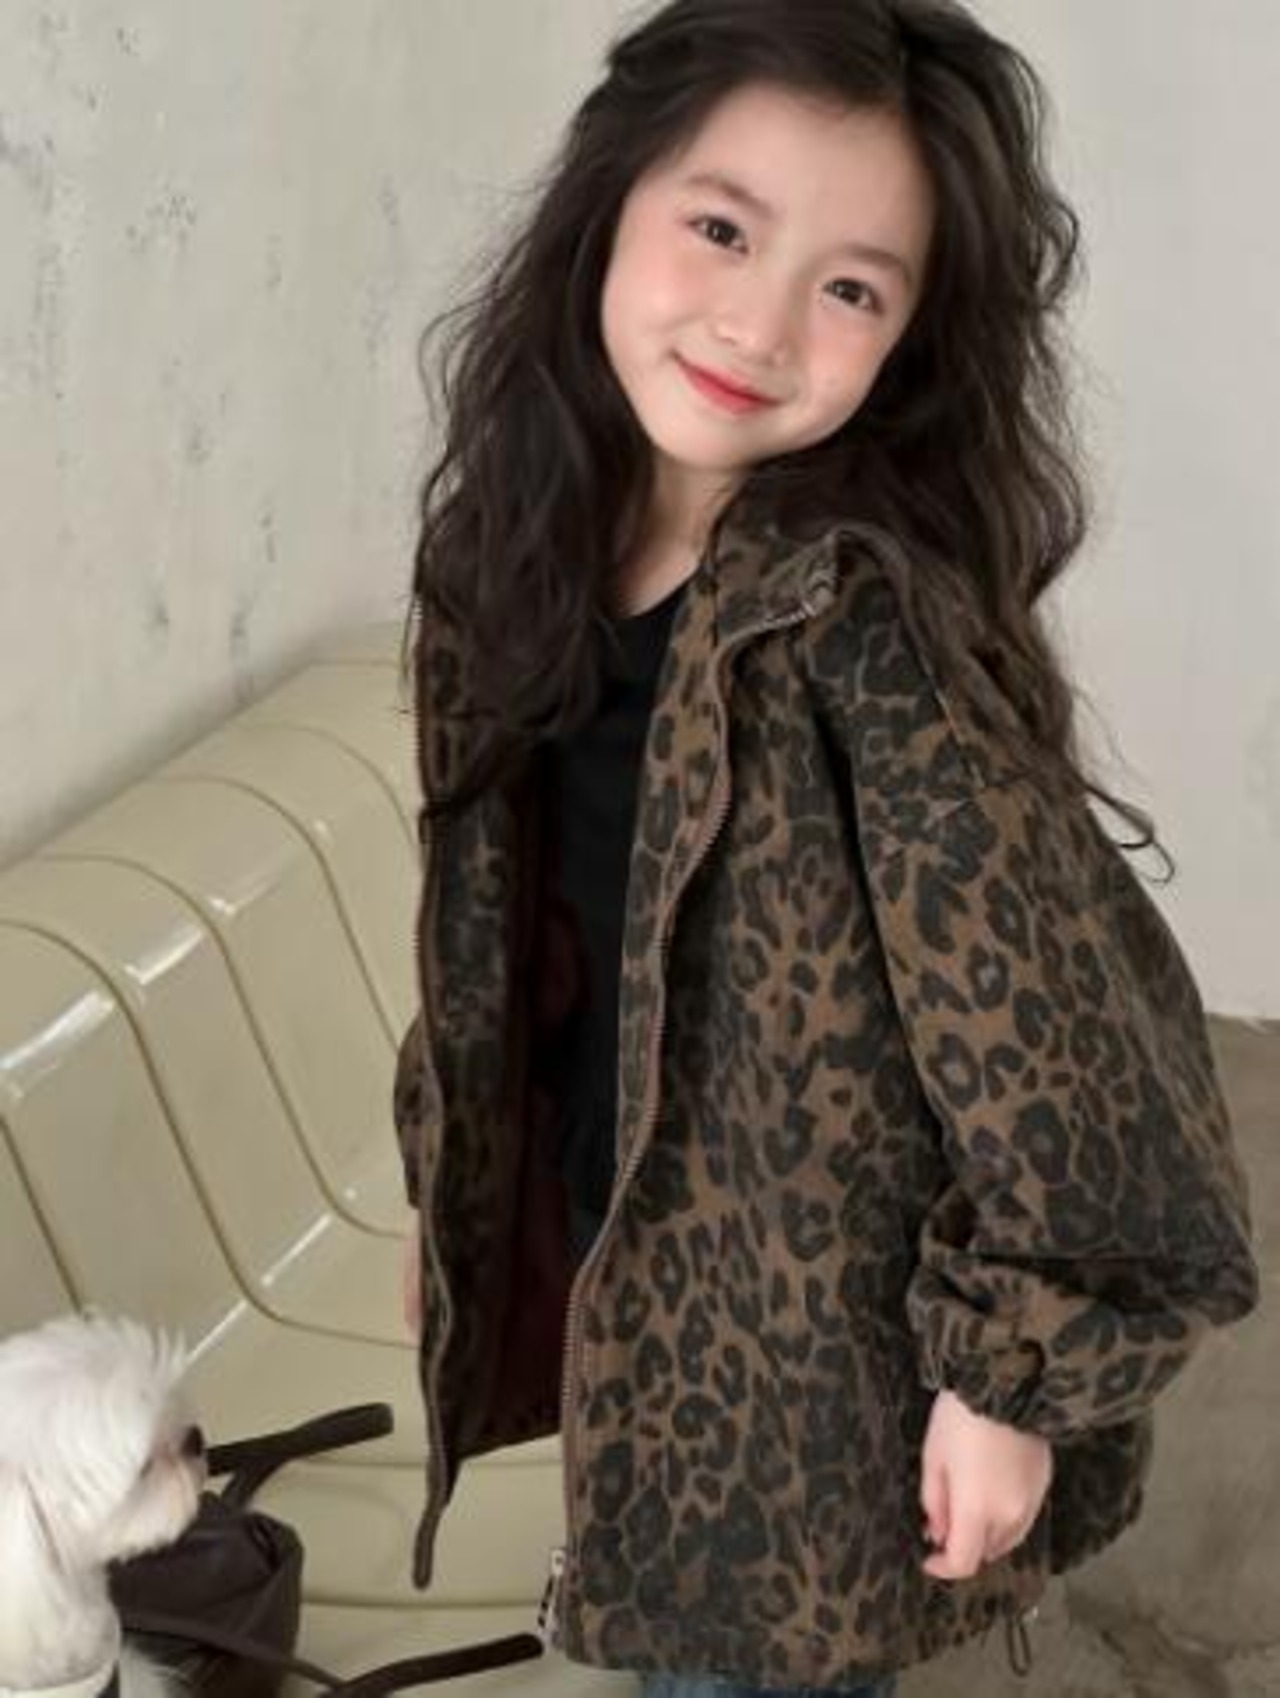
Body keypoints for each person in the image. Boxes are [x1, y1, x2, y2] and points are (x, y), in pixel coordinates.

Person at [392, 2, 1261, 1695]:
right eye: (723, 228)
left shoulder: (861, 625)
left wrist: (1009, 1377)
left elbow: (1075, 1054)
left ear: (911, 337)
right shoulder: (513, 551)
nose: (761, 322)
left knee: (741, 1659)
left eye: (852, 288)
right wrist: (461, 1175)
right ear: (611, 196)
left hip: (806, 1346)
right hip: (634, 1249)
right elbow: (498, 931)